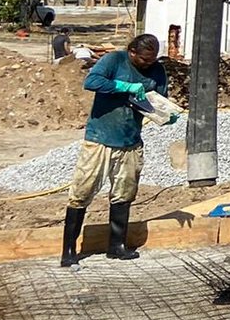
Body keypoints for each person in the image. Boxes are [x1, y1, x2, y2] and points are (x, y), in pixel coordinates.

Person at [61, 32, 168, 267]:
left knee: (124, 192)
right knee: (82, 191)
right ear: (132, 52)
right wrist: (123, 86)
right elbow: (91, 82)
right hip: (101, 138)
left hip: (130, 140)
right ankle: (68, 250)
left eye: (152, 60)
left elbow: (159, 98)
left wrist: (166, 114)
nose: (148, 64)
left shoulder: (157, 70)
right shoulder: (114, 61)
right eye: (144, 60)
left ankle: (116, 246)